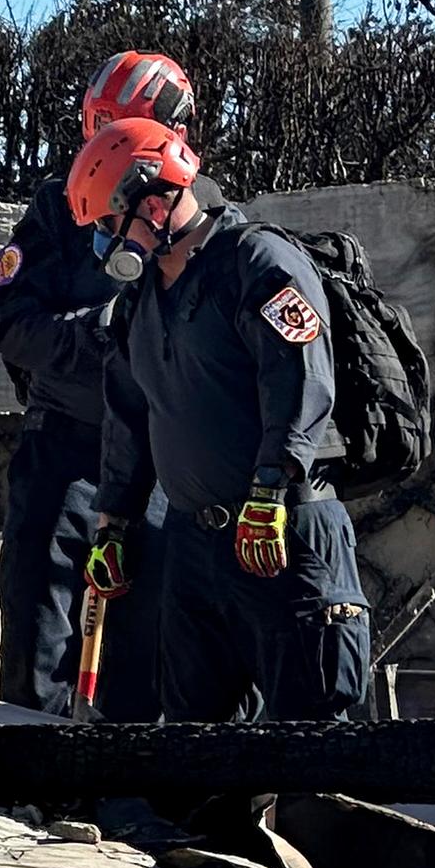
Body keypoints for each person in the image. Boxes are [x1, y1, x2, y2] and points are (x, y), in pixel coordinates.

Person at [68, 117, 373, 722]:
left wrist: (269, 490)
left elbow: (300, 381)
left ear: (154, 204)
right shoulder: (141, 300)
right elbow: (130, 416)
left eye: (108, 223)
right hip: (193, 545)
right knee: (194, 744)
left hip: (281, 534)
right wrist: (114, 525)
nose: (103, 242)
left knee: (309, 735)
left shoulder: (259, 263)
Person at [0, 51, 196, 710]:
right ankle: (24, 783)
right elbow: (15, 325)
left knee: (147, 641)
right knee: (35, 627)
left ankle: (125, 795)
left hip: (159, 465)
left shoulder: (198, 219)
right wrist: (100, 340)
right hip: (65, 448)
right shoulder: (58, 208)